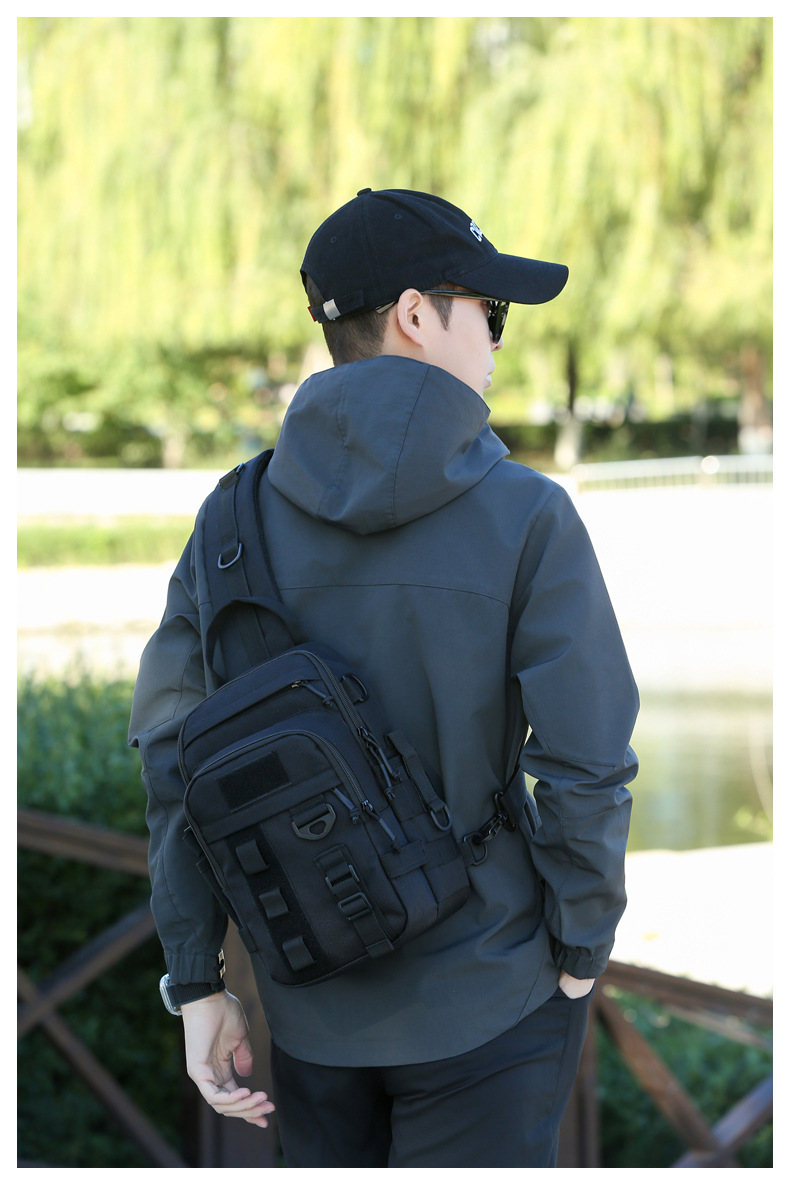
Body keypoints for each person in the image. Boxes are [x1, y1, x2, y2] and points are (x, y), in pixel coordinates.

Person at [129, 187, 639, 1168]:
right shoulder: (528, 516)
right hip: (493, 994)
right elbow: (586, 761)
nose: (498, 340)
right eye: (489, 311)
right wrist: (580, 946)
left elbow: (170, 758)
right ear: (414, 314)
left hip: (310, 997)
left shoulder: (230, 520)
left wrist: (196, 980)